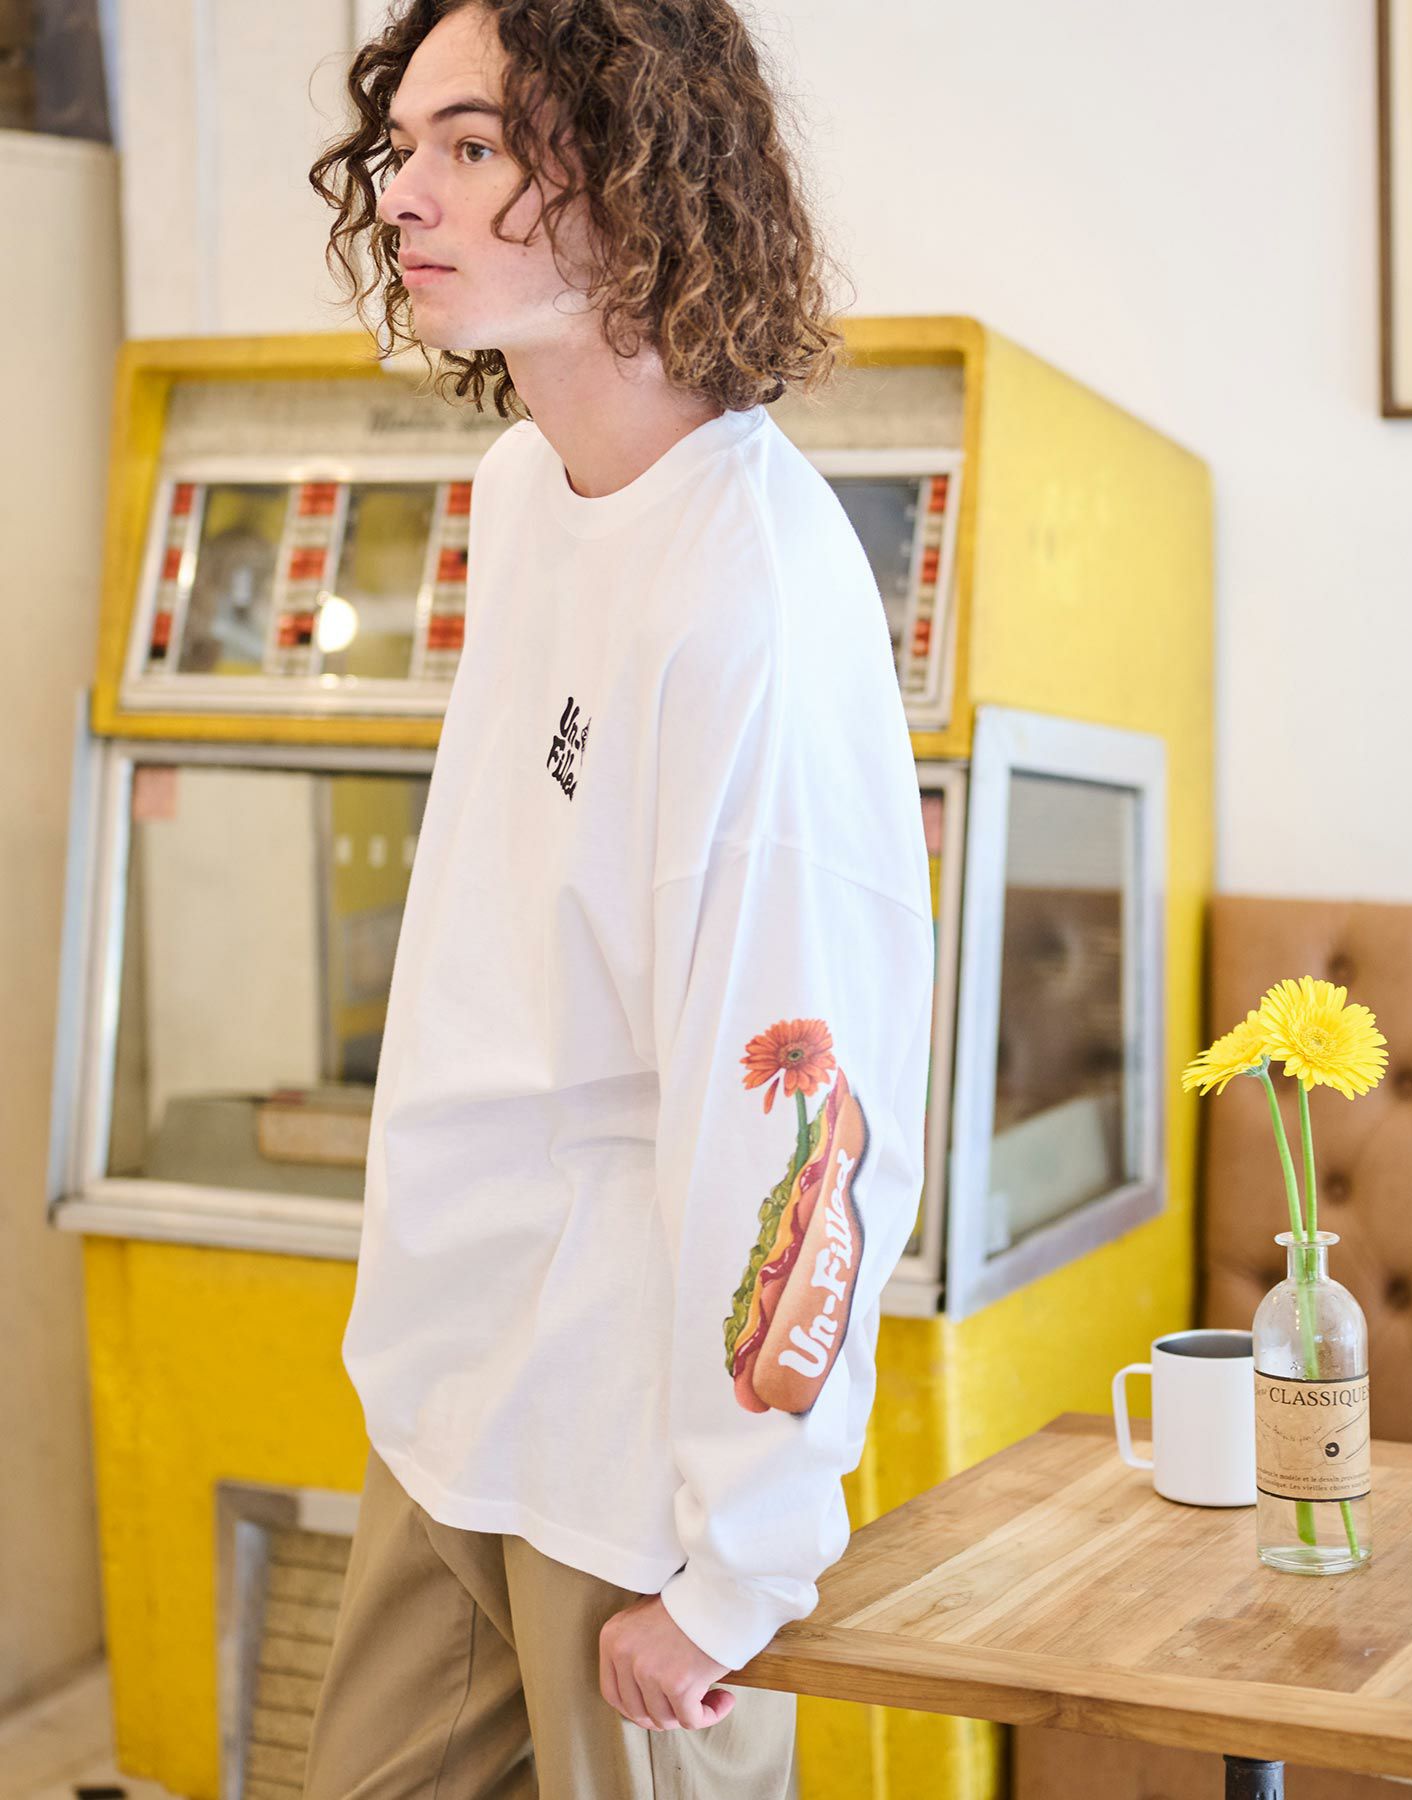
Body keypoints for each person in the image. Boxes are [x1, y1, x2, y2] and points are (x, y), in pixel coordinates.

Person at [303, 2, 934, 1795]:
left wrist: (739, 1567)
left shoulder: (752, 597)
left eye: (475, 147)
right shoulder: (525, 489)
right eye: (405, 147)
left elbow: (805, 1107)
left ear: (640, 170)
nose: (405, 194)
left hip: (633, 1482)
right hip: (450, 1391)